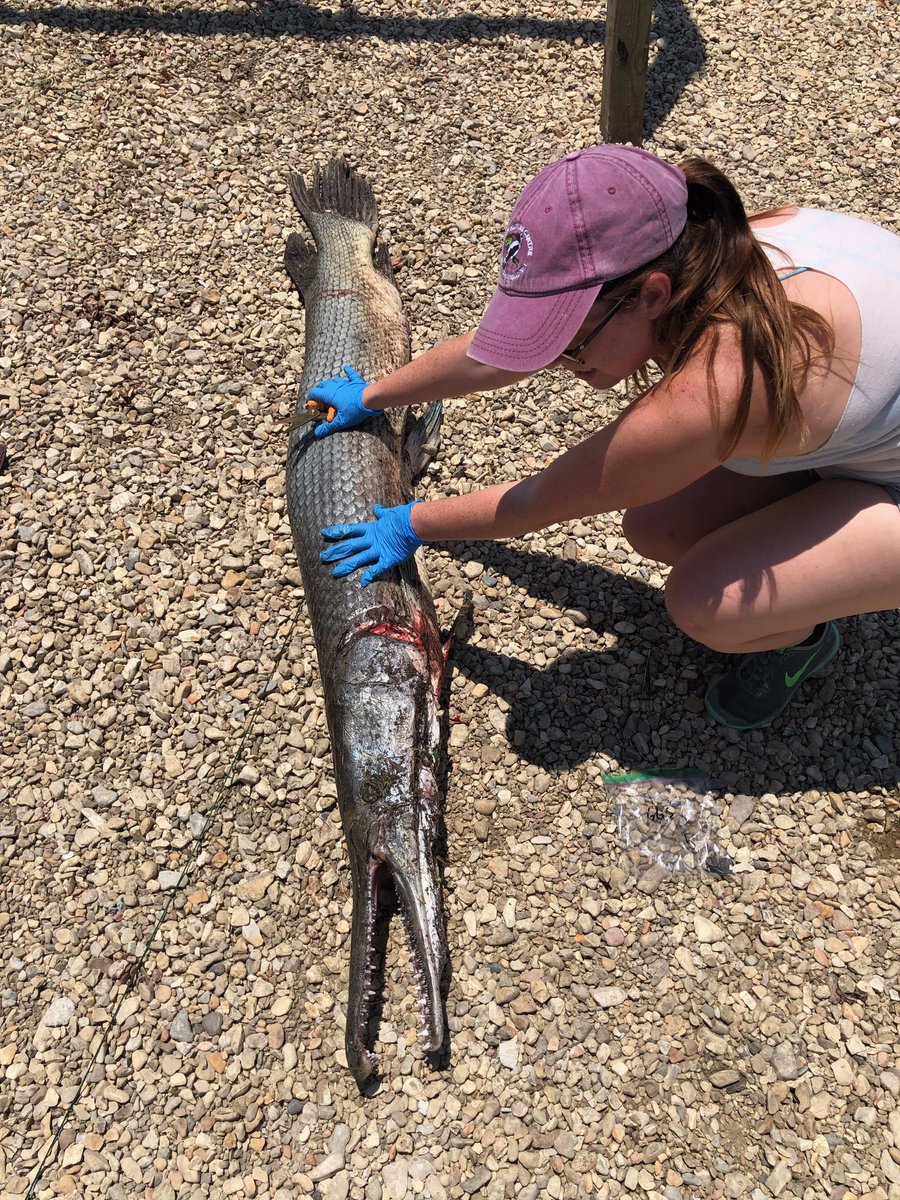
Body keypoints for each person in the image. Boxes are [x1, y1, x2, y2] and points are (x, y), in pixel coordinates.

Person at [308, 145, 900, 730]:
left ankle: (805, 640)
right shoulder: (714, 242)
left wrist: (410, 523)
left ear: (653, 295)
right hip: (866, 439)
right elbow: (498, 358)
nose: (560, 361)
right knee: (656, 524)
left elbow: (540, 501)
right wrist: (375, 394)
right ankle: (826, 523)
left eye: (570, 342)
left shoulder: (720, 384)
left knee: (703, 602)